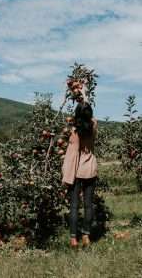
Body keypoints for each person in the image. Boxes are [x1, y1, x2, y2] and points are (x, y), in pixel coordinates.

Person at [62, 102, 98, 248]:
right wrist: (83, 92)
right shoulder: (94, 126)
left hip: (76, 171)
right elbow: (90, 115)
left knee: (74, 206)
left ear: (76, 114)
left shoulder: (74, 132)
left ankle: (73, 239)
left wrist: (66, 174)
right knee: (88, 205)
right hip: (90, 169)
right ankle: (86, 236)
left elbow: (71, 155)